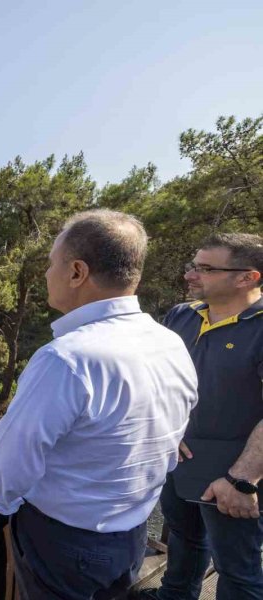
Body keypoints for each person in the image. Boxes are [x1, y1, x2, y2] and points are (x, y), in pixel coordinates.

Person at [0, 209, 198, 599]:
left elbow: (16, 454)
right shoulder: (168, 342)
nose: (45, 274)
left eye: (50, 264)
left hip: (66, 545)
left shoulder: (68, 358)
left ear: (77, 272)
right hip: (130, 535)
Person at [143, 232, 263, 600]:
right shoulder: (181, 315)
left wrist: (242, 479)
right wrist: (168, 431)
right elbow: (159, 379)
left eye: (205, 268)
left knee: (238, 572)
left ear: (247, 277)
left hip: (235, 474)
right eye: (192, 265)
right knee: (186, 539)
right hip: (181, 462)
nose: (190, 275)